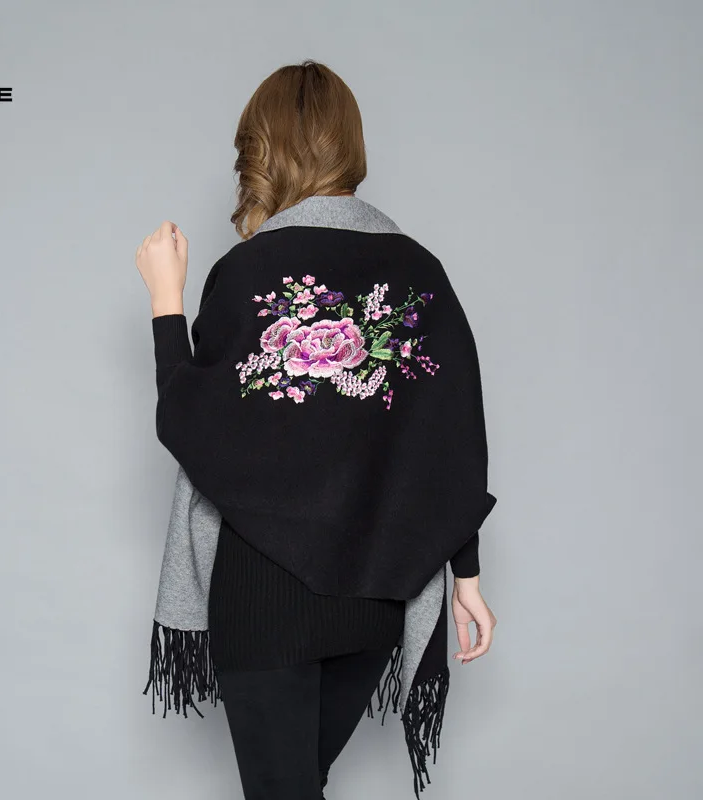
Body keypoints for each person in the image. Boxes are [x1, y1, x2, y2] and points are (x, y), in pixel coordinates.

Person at [136, 60, 498, 800]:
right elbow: (451, 434)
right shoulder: (421, 272)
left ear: (264, 151)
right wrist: (465, 574)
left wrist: (166, 302)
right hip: (375, 595)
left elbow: (191, 422)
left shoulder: (249, 271)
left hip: (265, 595)